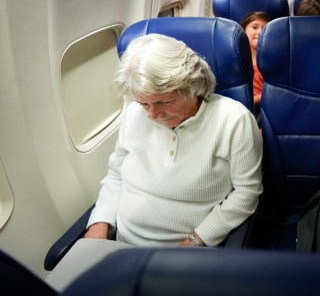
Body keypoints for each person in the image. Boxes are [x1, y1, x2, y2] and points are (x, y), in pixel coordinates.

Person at [84, 34, 263, 247]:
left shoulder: (234, 120)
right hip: (121, 245)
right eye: (144, 104)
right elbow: (116, 176)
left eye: (164, 102)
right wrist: (99, 223)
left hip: (184, 252)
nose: (152, 115)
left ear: (192, 86)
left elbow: (247, 192)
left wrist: (198, 240)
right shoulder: (134, 114)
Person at [241, 11, 271, 108]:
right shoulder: (237, 59)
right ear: (244, 30)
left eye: (264, 28)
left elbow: (273, 92)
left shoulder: (271, 61)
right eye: (255, 27)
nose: (260, 32)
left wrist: (250, 102)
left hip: (261, 107)